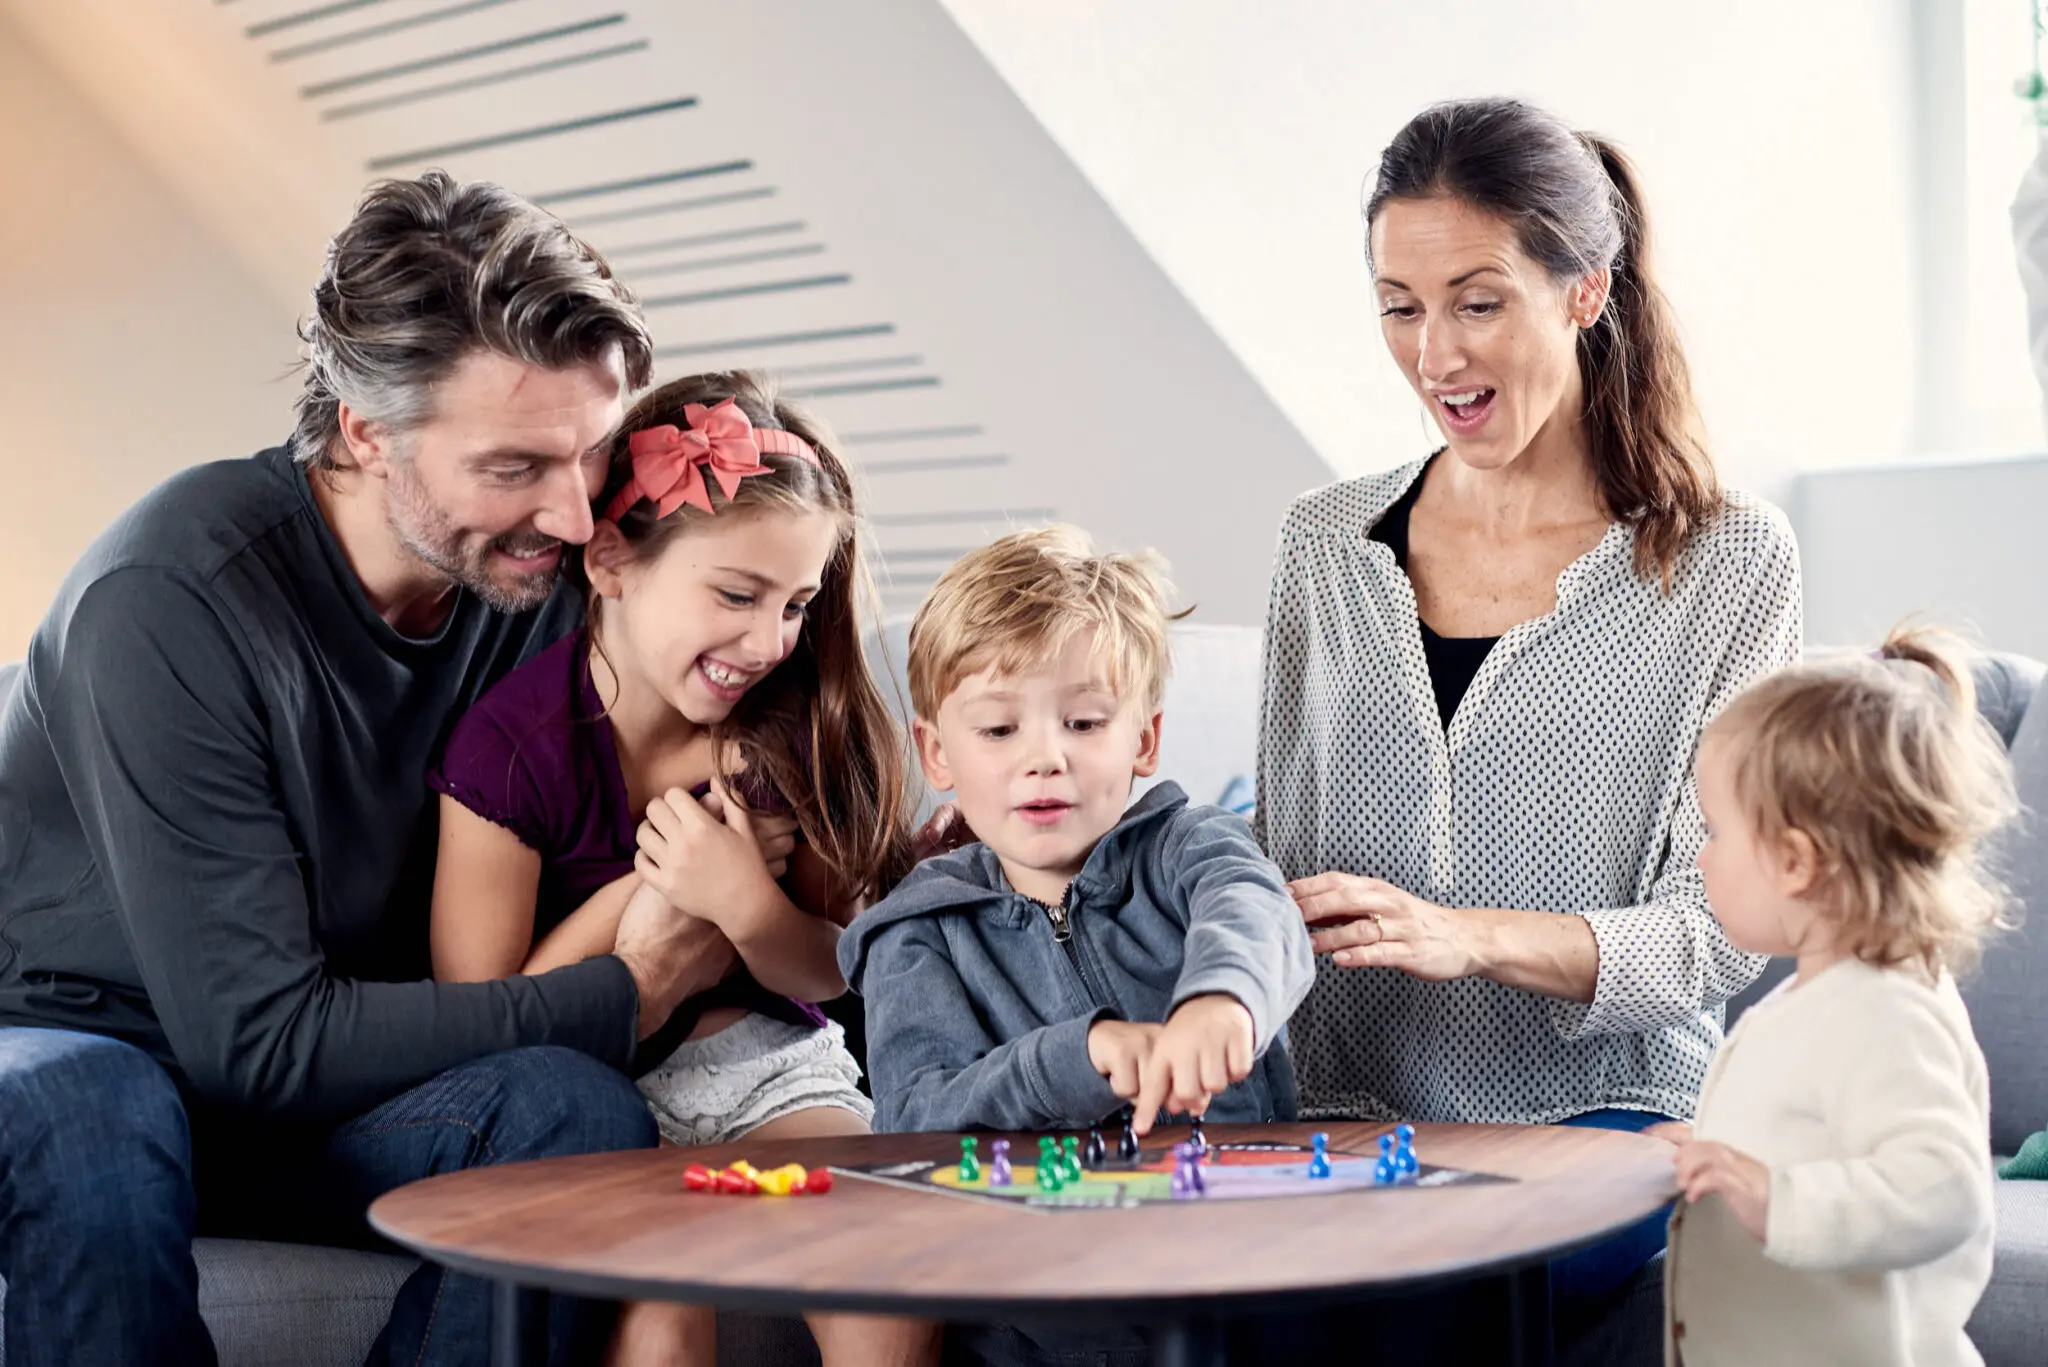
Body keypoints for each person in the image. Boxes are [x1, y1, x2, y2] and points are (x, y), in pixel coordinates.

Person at [0, 172, 731, 1366]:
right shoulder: (170, 596)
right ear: (364, 431)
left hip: (316, 1090)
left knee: (567, 1109)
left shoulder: (543, 578)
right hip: (80, 1050)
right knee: (95, 1108)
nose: (568, 512)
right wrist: (626, 990)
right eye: (513, 467)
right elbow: (261, 1044)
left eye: (590, 452)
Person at [1254, 97, 1801, 1347]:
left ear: (1583, 291)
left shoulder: (1723, 562)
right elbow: (1274, 858)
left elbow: (1715, 932)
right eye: (1399, 305)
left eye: (1477, 299)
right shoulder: (1322, 547)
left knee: (1438, 1279)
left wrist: (1467, 935)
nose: (1434, 352)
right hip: (1336, 1112)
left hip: (1602, 1112)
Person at [428, 370, 937, 1367]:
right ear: (611, 559)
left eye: (795, 604)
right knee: (659, 1313)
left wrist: (743, 903)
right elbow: (484, 1020)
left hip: (766, 1076)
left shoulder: (783, 734)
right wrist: (650, 889)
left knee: (887, 1261)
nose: (768, 640)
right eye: (736, 595)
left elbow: (829, 971)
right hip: (596, 1102)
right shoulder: (508, 747)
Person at [843, 525, 1314, 1136]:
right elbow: (916, 1115)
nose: (1045, 759)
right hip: (1027, 1223)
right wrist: (1080, 1059)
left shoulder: (1195, 846)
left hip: (1237, 1197)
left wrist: (1223, 1000)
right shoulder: (914, 931)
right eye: (997, 729)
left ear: (1144, 740)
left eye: (1084, 723)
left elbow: (1257, 914)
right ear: (937, 754)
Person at [1662, 628, 2010, 1365]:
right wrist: (1715, 1150)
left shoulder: (1884, 1010)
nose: (1700, 855)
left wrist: (1777, 1200)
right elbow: (1819, 1134)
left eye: (1716, 832)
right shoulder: (1824, 995)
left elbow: (1944, 1186)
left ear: (1795, 860)